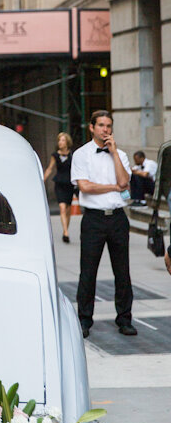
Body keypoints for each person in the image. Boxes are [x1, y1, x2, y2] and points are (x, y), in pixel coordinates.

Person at [70, 109, 136, 339]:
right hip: (94, 219)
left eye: (109, 126)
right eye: (101, 125)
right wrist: (112, 188)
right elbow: (85, 187)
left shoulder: (122, 155)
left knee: (123, 271)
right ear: (91, 127)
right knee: (88, 272)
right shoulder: (81, 154)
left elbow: (124, 182)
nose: (105, 129)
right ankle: (84, 320)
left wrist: (114, 153)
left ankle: (125, 319)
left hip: (118, 218)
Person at [43, 132, 76, 243]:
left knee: (68, 209)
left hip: (69, 184)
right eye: (59, 140)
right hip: (59, 183)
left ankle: (65, 229)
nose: (60, 142)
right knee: (62, 207)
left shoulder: (72, 155)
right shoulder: (55, 155)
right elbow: (50, 169)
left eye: (62, 140)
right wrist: (42, 180)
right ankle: (65, 232)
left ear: (67, 142)